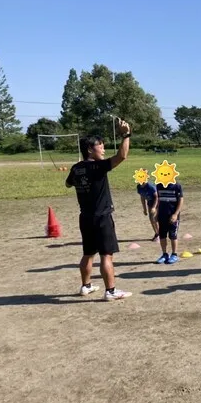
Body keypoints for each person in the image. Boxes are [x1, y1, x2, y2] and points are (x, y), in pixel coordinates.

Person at [65, 118, 132, 301]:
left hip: (85, 218)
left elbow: (68, 184)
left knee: (88, 253)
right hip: (102, 217)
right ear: (89, 150)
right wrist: (126, 134)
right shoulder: (98, 166)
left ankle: (85, 286)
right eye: (100, 146)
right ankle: (110, 291)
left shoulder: (76, 168)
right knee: (106, 255)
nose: (103, 149)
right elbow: (122, 156)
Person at [155, 177, 184, 265]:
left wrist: (175, 214)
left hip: (172, 215)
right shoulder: (159, 185)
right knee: (162, 235)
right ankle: (164, 254)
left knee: (172, 235)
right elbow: (158, 200)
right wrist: (156, 213)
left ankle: (174, 254)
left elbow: (180, 200)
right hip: (162, 215)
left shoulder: (177, 186)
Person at [136, 171, 159, 241]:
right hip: (150, 202)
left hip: (157, 202)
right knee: (151, 218)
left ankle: (159, 234)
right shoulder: (139, 187)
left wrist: (154, 207)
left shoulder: (150, 186)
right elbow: (142, 197)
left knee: (154, 218)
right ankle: (157, 233)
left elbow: (156, 197)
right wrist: (144, 209)